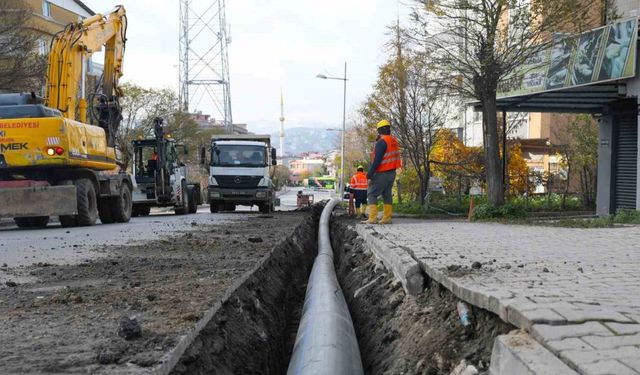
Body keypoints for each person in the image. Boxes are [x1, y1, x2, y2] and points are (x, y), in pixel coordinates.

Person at [362, 119, 401, 224]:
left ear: (379, 130)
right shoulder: (393, 141)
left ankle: (373, 218)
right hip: (392, 173)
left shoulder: (382, 142)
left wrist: (370, 174)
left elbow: (377, 160)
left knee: (371, 194)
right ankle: (387, 218)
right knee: (386, 194)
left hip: (382, 172)